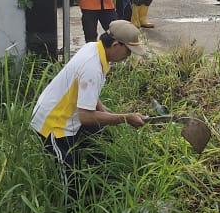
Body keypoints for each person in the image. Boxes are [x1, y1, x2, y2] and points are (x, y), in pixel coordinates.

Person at [30, 21, 148, 200]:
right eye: (128, 51)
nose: (128, 56)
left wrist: (105, 112)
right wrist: (125, 118)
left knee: (104, 143)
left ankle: (101, 191)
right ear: (116, 45)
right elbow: (85, 117)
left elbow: (87, 92)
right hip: (55, 124)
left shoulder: (94, 48)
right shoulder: (92, 65)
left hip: (71, 113)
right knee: (71, 181)